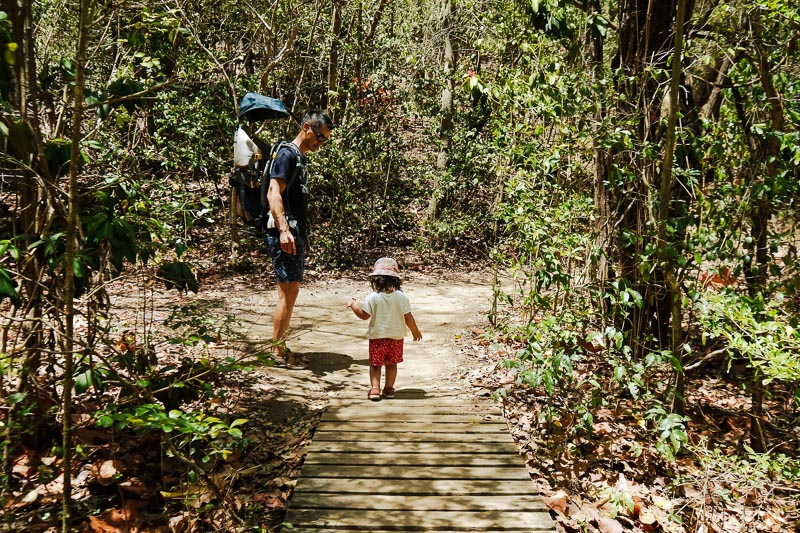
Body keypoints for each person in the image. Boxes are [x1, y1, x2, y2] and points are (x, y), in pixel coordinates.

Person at [266, 110, 334, 362]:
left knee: (291, 291)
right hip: (284, 233)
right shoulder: (287, 155)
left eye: (324, 140)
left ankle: (280, 346)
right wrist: (284, 230)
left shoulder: (300, 158)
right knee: (287, 291)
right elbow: (273, 193)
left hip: (294, 234)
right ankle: (277, 349)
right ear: (306, 127)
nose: (320, 143)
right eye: (319, 136)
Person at [346, 257, 423, 401]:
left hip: (377, 338)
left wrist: (353, 304)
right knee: (392, 364)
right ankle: (389, 388)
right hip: (396, 337)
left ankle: (375, 389)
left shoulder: (372, 298)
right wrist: (415, 330)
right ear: (395, 279)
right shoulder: (402, 297)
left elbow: (364, 316)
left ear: (375, 280)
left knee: (376, 364)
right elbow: (408, 317)